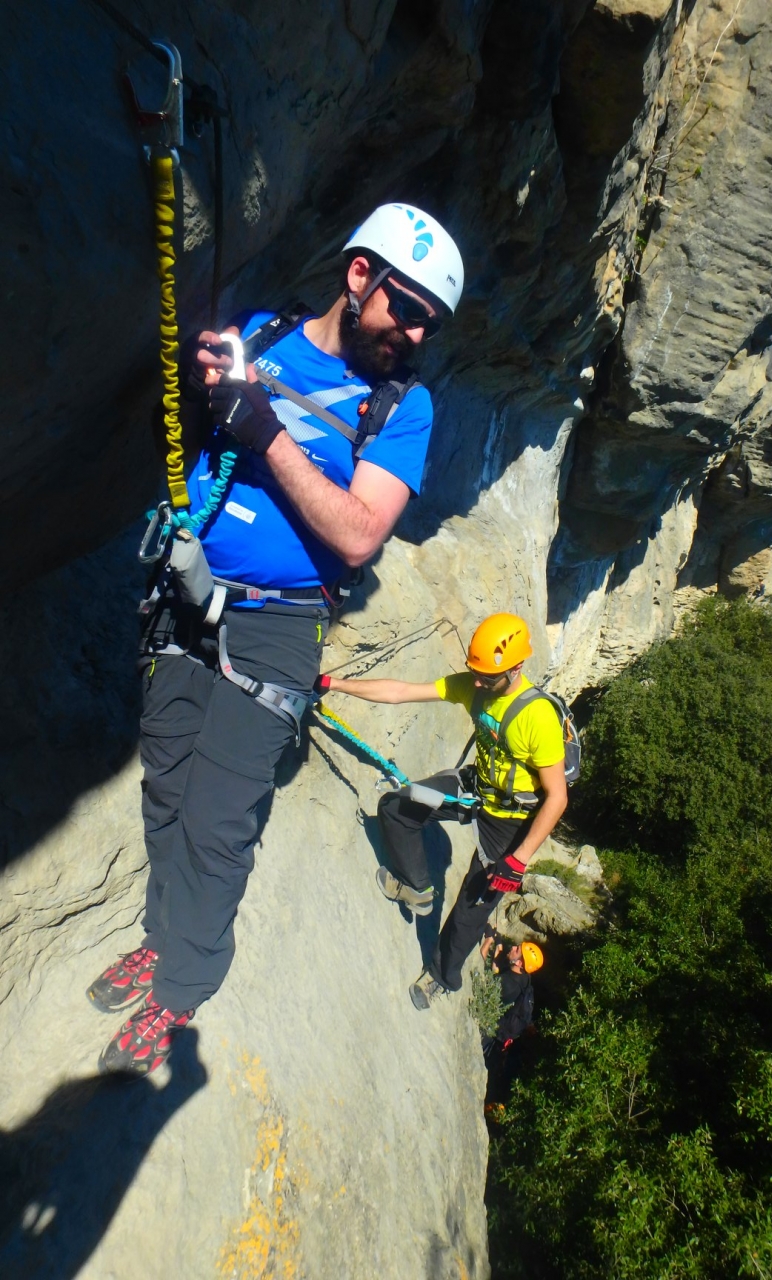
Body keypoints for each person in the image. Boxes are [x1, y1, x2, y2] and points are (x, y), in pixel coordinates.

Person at [87, 204, 465, 1074]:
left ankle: (182, 986)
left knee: (219, 822)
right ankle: (159, 938)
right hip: (186, 593)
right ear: (360, 275)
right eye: (406, 309)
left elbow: (360, 533)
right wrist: (197, 392)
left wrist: (263, 425)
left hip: (279, 626)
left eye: (428, 324)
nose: (413, 334)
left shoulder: (403, 409)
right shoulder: (265, 335)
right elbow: (180, 441)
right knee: (167, 791)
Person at [321, 613, 567, 1010]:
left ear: (517, 667)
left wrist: (518, 862)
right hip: (475, 787)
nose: (477, 683)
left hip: (509, 822)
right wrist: (334, 684)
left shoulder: (538, 718)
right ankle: (418, 888)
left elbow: (557, 797)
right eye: (475, 673)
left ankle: (441, 976)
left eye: (487, 677)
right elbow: (399, 691)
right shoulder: (477, 687)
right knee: (397, 806)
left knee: (472, 910)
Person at [479, 932, 542, 1119]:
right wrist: (499, 951)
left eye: (517, 950)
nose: (513, 947)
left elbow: (487, 985)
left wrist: (488, 941)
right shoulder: (525, 979)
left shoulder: (508, 985)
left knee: (486, 1073)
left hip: (493, 1036)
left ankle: (490, 1110)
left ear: (520, 963)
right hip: (504, 1040)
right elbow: (499, 972)